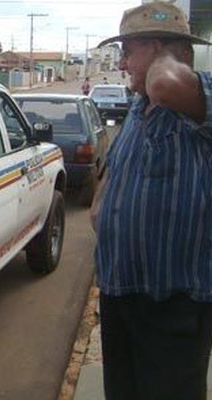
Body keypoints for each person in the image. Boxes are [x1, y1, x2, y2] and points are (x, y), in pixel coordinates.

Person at [91, 2, 212, 399]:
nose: (122, 64)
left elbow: (166, 84)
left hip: (171, 303)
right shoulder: (140, 106)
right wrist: (103, 203)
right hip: (120, 293)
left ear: (165, 51)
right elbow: (116, 167)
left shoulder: (196, 101)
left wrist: (165, 56)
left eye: (128, 51)